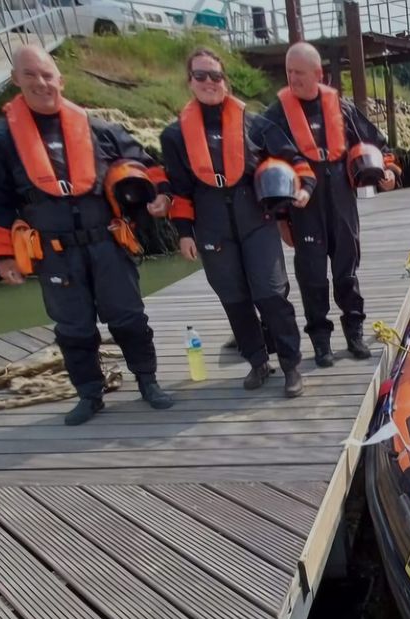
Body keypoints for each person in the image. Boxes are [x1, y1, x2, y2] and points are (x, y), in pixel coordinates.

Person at [0, 44, 175, 426]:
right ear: (16, 80)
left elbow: (147, 165)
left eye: (47, 74)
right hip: (55, 254)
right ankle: (89, 393)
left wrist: (160, 195)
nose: (41, 82)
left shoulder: (99, 128)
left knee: (129, 317)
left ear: (60, 80)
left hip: (108, 244)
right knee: (73, 328)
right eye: (30, 75)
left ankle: (148, 382)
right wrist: (2, 256)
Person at [161, 47, 312, 397]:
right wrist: (184, 233)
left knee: (272, 294)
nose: (209, 82)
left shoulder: (255, 123)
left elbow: (294, 160)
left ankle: (291, 365)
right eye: (201, 76)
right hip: (212, 225)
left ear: (225, 81)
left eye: (216, 76)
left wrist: (304, 187)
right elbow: (179, 190)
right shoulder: (174, 135)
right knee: (234, 297)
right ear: (190, 82)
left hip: (255, 218)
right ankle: (258, 362)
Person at [262, 41, 397, 367]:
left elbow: (375, 141)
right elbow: (265, 165)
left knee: (346, 272)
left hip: (341, 200)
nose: (293, 78)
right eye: (289, 72)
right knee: (312, 278)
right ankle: (321, 342)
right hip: (303, 206)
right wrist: (281, 219)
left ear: (318, 74)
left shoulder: (342, 107)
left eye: (300, 72)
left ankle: (354, 333)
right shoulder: (275, 115)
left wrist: (389, 168)